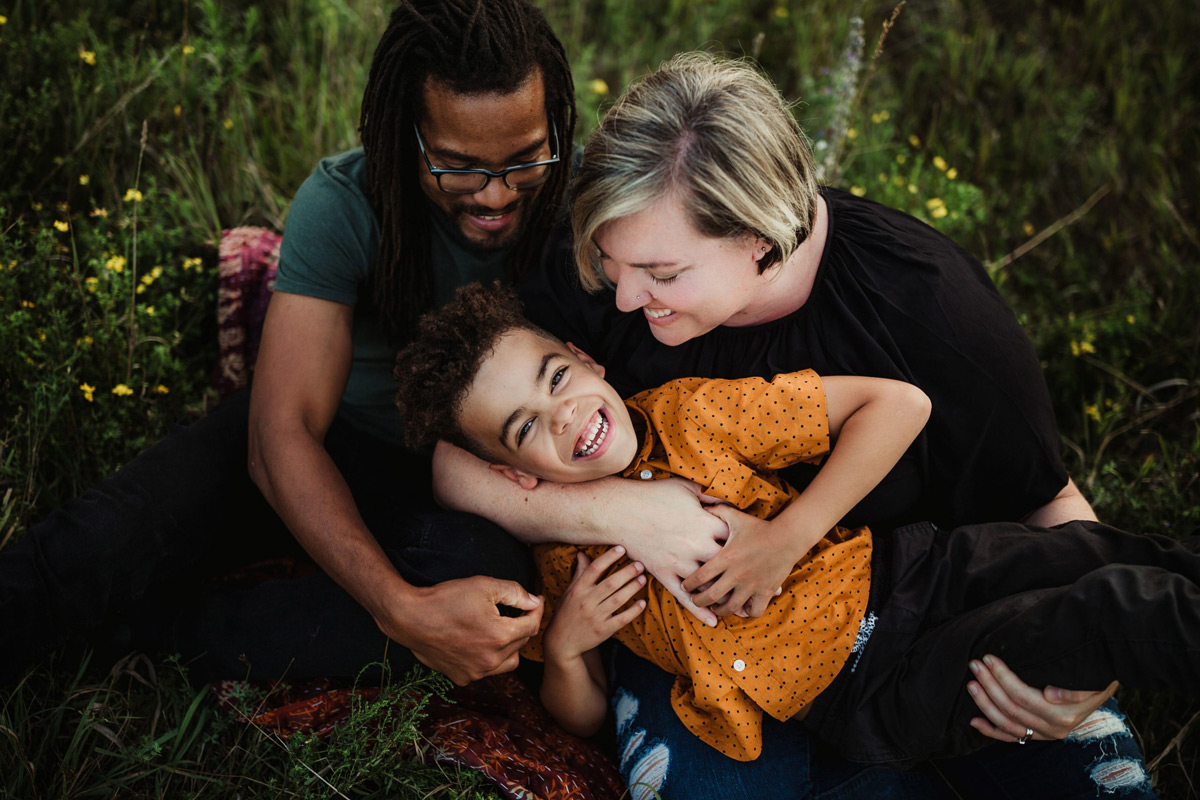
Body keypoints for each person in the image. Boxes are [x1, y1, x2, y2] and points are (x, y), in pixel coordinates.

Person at [434, 53, 1159, 798]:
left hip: (906, 604)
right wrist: (620, 511)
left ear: (758, 238)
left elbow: (1048, 500)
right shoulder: (603, 271)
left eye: (662, 273)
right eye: (614, 263)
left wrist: (1091, 677)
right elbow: (454, 450)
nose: (624, 298)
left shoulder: (931, 316)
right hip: (709, 659)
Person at [0, 0, 577, 687]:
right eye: (459, 167)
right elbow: (281, 436)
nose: (496, 195)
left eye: (525, 160)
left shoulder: (582, 210)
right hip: (333, 430)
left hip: (460, 485)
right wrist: (397, 609)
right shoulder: (344, 203)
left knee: (492, 594)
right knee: (96, 543)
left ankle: (152, 634)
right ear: (406, 136)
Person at [393, 280, 1200, 767]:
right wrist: (567, 648)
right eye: (528, 428)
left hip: (910, 571)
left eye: (557, 376)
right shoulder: (568, 569)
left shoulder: (693, 413)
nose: (566, 414)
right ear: (514, 474)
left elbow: (899, 405)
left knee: (1097, 552)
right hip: (869, 692)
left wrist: (786, 536)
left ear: (588, 358)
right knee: (1099, 612)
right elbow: (585, 717)